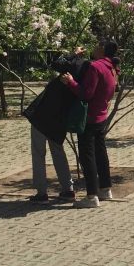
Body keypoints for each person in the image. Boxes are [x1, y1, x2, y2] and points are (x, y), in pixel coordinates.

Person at [61, 39, 119, 208]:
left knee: (87, 156)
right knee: (101, 153)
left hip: (89, 117)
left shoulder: (95, 67)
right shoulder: (112, 67)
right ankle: (105, 189)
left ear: (102, 48)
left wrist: (71, 81)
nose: (93, 47)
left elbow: (86, 93)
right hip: (102, 116)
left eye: (96, 45)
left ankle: (91, 196)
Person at [25, 54, 87, 203]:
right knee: (58, 152)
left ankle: (41, 192)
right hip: (59, 121)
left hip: (42, 118)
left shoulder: (67, 75)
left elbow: (56, 63)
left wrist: (73, 54)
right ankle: (68, 189)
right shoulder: (78, 82)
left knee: (38, 153)